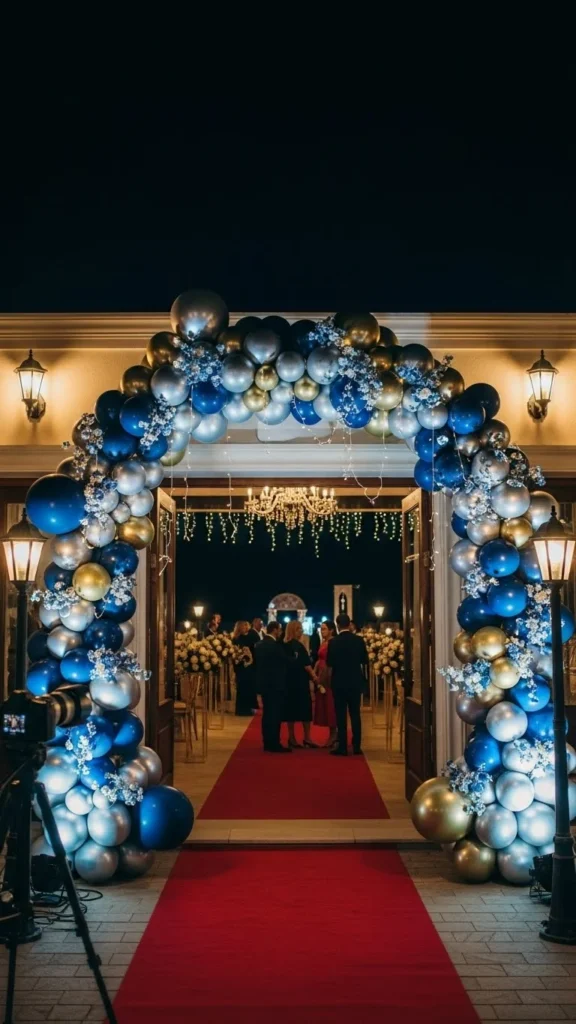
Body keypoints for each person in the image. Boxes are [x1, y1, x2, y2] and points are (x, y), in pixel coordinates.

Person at [327, 612, 368, 756]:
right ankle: (357, 746)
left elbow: (330, 663)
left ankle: (342, 746)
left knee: (341, 715)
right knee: (355, 714)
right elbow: (365, 660)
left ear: (337, 625)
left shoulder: (333, 642)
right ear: (349, 624)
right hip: (355, 681)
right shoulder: (359, 640)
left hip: (339, 682)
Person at [254, 622, 291, 753]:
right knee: (275, 714)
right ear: (275, 630)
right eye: (279, 629)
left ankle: (267, 742)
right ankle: (274, 743)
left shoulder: (259, 645)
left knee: (267, 714)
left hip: (264, 684)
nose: (280, 632)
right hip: (275, 684)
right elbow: (284, 661)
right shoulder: (275, 646)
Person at [283, 620, 318, 748]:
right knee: (305, 708)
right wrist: (315, 677)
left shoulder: (284, 646)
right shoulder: (299, 646)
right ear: (293, 630)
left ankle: (292, 737)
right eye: (299, 629)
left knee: (290, 709)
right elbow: (306, 665)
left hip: (289, 681)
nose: (302, 631)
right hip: (300, 681)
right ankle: (307, 737)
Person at [313, 620, 338, 748]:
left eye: (324, 629)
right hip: (321, 673)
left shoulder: (332, 643)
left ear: (332, 630)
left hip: (328, 675)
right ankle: (332, 734)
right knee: (325, 705)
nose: (322, 631)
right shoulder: (323, 642)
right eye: (321, 629)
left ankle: (334, 734)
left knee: (330, 705)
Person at [232, 620, 256, 716]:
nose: (246, 628)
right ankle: (241, 710)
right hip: (240, 666)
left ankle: (247, 708)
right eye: (244, 626)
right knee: (242, 688)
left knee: (248, 688)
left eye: (247, 626)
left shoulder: (250, 637)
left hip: (249, 666)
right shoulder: (236, 639)